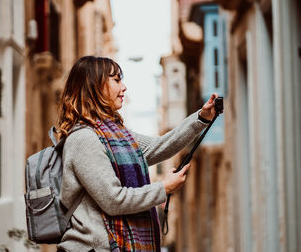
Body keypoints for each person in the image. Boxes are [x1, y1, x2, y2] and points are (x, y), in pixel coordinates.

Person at [57, 56, 219, 252]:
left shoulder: (118, 136)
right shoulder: (83, 139)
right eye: (116, 80)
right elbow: (113, 200)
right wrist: (163, 188)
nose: (124, 87)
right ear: (95, 86)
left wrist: (200, 118)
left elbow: (160, 145)